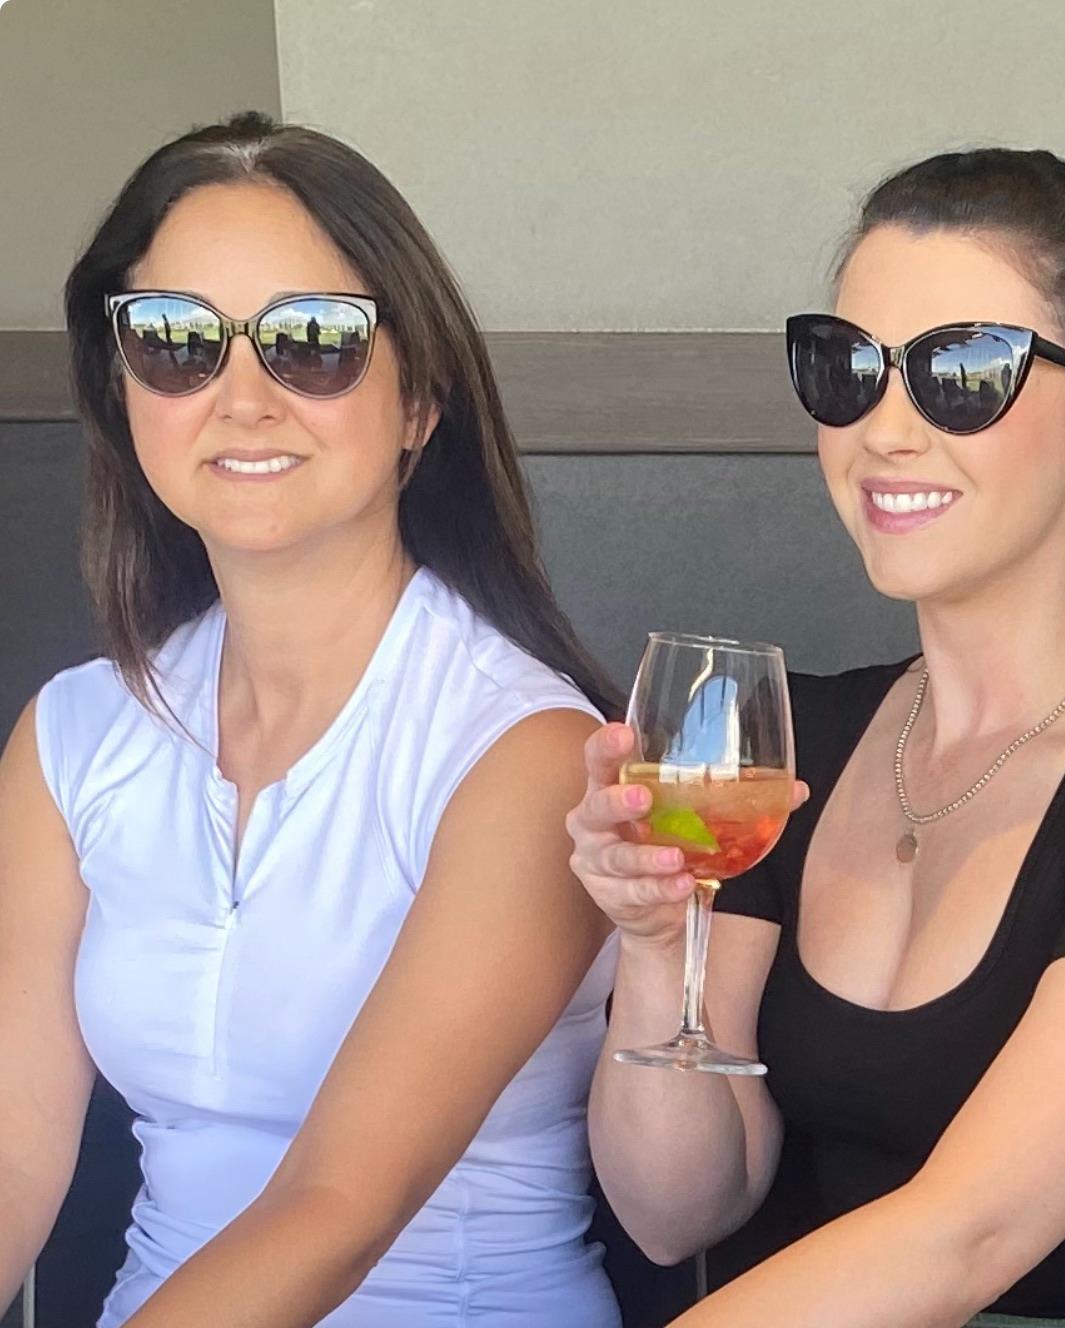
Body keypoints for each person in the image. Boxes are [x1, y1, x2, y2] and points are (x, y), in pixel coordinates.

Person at [0, 111, 622, 1328]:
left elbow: (338, 1202)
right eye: (177, 341)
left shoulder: (524, 751)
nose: (241, 397)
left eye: (313, 342)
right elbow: (13, 1156)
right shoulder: (72, 737)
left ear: (418, 400)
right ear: (123, 388)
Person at [568, 148, 1065, 1328]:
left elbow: (964, 1234)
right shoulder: (804, 742)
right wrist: (654, 944)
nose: (884, 430)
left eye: (962, 372)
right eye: (847, 367)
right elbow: (676, 1207)